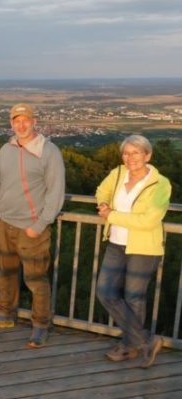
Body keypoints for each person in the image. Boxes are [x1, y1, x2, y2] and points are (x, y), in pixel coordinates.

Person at [0, 103, 65, 349]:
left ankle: (40, 325)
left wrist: (38, 226)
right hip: (3, 225)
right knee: (5, 275)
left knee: (36, 279)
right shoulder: (5, 149)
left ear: (34, 121)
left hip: (31, 230)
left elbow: (55, 194)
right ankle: (5, 315)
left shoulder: (49, 152)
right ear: (11, 123)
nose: (21, 124)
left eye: (25, 120)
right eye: (16, 120)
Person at [95, 134, 169, 368]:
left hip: (144, 248)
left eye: (136, 153)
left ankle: (130, 346)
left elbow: (149, 220)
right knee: (105, 292)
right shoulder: (117, 173)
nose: (130, 158)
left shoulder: (161, 183)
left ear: (148, 155)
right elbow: (101, 190)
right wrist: (104, 203)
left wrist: (112, 215)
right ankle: (147, 341)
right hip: (116, 243)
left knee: (134, 297)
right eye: (126, 153)